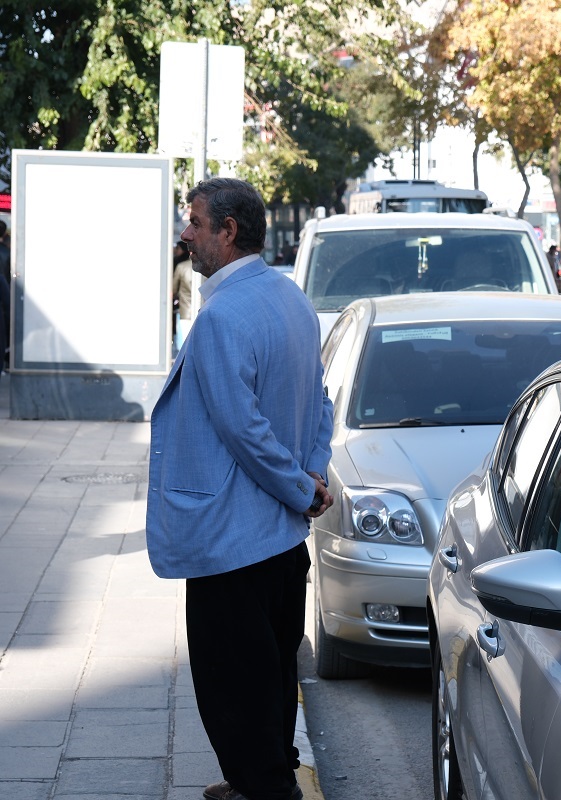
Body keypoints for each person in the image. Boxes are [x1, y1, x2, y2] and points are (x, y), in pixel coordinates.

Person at [146, 178, 334, 800]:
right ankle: (263, 776)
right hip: (278, 543)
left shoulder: (224, 314)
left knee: (234, 686)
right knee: (273, 677)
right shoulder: (289, 296)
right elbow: (321, 404)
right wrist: (312, 472)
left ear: (228, 232)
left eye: (195, 223)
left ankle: (263, 787)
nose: (185, 234)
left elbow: (243, 430)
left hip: (235, 543)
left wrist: (300, 488)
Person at [171, 240, 195, 354]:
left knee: (183, 348)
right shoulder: (207, 265)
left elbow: (173, 289)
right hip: (202, 309)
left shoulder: (181, 266)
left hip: (185, 311)